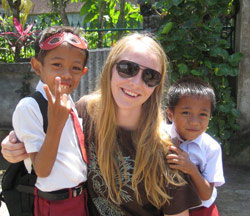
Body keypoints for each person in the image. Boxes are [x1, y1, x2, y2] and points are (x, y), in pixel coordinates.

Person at [2, 33, 201, 216]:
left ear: (157, 85)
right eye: (127, 68)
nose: (136, 82)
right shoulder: (84, 112)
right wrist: (14, 145)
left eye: (150, 76)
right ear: (110, 69)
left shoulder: (167, 153)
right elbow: (45, 144)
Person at [11, 26, 89, 216]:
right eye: (57, 65)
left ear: (84, 72)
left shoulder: (69, 102)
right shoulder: (29, 107)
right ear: (37, 66)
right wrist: (55, 124)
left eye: (76, 68)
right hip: (54, 204)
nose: (67, 74)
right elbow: (42, 170)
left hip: (81, 198)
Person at [165, 76, 225, 216]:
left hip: (202, 211)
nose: (194, 122)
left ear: (210, 116)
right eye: (186, 113)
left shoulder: (211, 148)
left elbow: (206, 195)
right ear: (170, 114)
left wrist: (191, 168)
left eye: (203, 114)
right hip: (170, 210)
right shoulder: (160, 137)